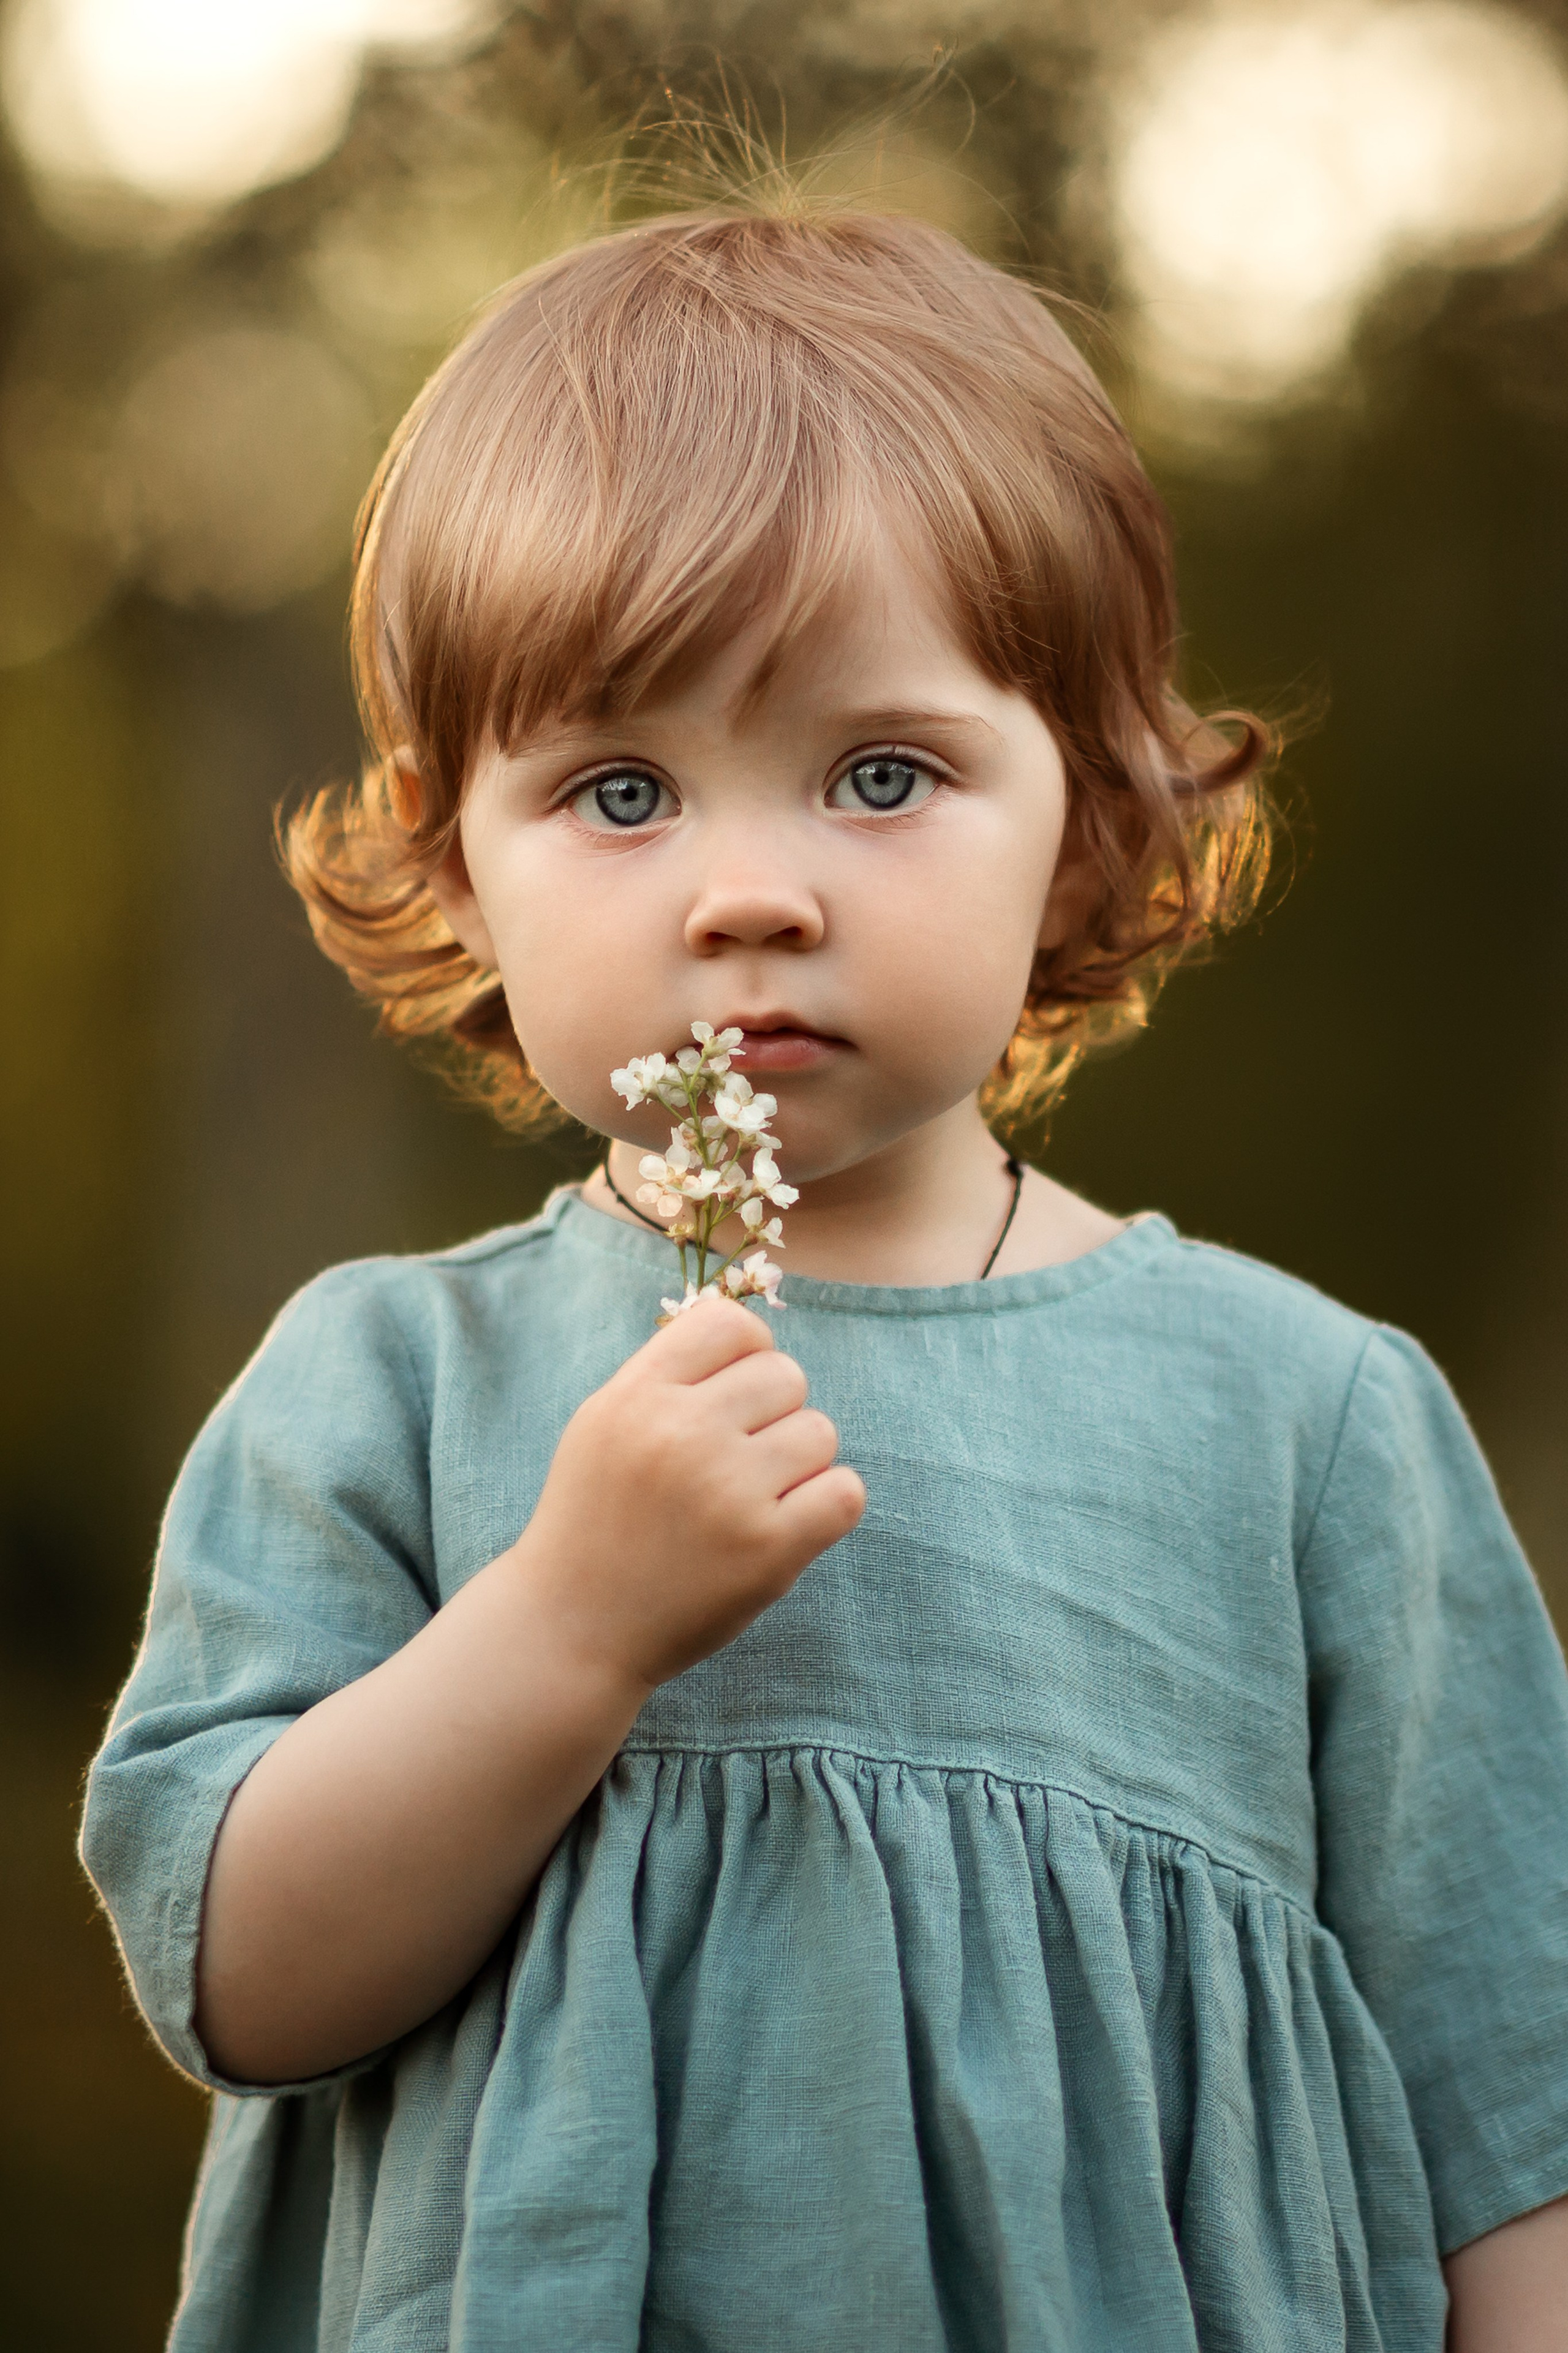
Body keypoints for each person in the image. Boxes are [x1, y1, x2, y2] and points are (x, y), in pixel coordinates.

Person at [82, 200, 1568, 2352]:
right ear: (452, 853)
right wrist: (567, 1624)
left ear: (1079, 807)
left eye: (884, 773)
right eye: (617, 789)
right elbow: (236, 1980)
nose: (750, 892)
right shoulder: (385, 1378)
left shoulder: (1311, 1415)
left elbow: (1511, 2116)